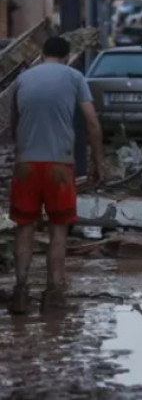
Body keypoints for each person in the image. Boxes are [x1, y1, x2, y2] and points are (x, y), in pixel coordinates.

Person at [8, 36, 104, 314]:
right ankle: (53, 296)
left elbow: (13, 125)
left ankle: (21, 292)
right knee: (58, 231)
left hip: (26, 165)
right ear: (67, 56)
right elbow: (92, 124)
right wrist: (98, 163)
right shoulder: (74, 77)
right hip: (59, 167)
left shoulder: (23, 79)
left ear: (42, 53)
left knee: (24, 228)